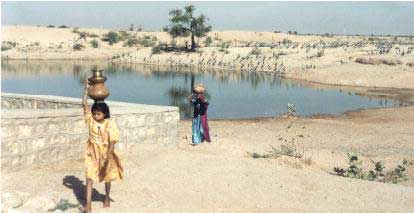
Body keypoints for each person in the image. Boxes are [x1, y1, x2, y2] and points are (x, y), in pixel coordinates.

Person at [80, 80, 123, 212]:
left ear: (104, 113)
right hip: (92, 152)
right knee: (89, 177)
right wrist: (86, 91)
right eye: (94, 113)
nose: (95, 116)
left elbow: (113, 139)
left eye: (98, 114)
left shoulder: (109, 124)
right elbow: (84, 104)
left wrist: (109, 154)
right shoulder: (91, 120)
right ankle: (88, 205)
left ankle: (107, 197)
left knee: (107, 176)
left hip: (105, 153)